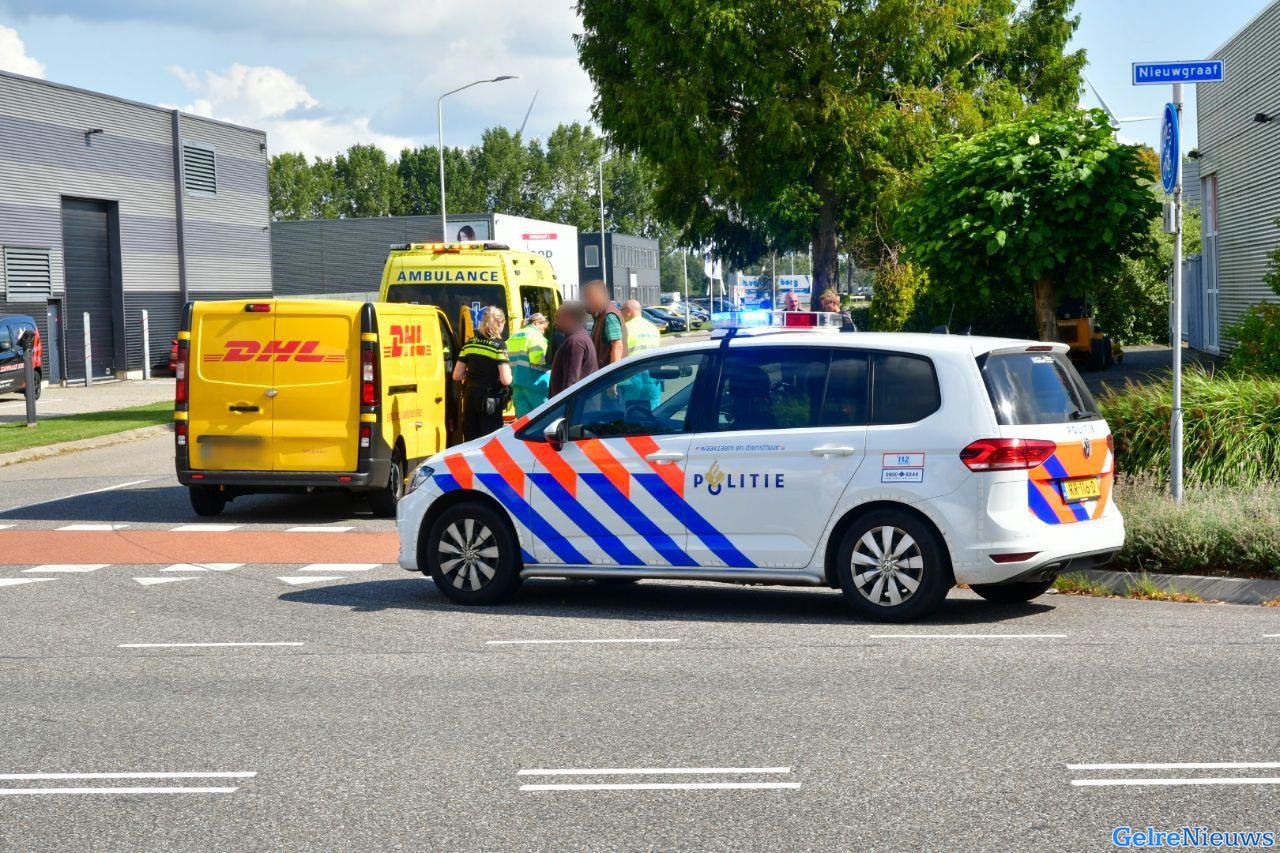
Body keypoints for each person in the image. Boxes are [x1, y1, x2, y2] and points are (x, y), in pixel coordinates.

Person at [452, 306, 513, 441]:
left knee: (471, 438)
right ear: (499, 323)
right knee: (489, 439)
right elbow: (506, 380)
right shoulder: (499, 345)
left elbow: (456, 375)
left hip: (470, 397)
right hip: (490, 400)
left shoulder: (470, 344)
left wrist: (471, 374)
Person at [549, 301, 597, 397]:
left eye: (558, 317)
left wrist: (565, 406)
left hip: (577, 406)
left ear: (568, 318)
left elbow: (571, 381)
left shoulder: (575, 341)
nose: (555, 322)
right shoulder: (577, 336)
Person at [621, 300, 662, 410]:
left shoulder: (625, 328)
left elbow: (619, 352)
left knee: (628, 415)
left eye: (622, 311)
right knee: (654, 414)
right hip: (652, 378)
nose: (621, 314)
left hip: (632, 378)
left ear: (628, 310)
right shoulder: (653, 328)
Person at [507, 313, 550, 417]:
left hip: (517, 385)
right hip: (535, 384)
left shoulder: (513, 336)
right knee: (543, 419)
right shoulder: (536, 336)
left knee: (523, 423)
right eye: (543, 328)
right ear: (537, 323)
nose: (543, 331)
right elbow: (537, 359)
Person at [582, 279, 627, 368]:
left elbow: (617, 346)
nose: (587, 302)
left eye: (589, 298)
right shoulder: (600, 314)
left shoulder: (609, 315)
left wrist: (614, 376)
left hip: (611, 378)